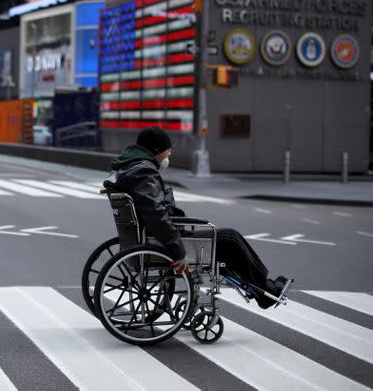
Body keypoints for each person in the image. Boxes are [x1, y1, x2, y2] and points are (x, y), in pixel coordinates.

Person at [104, 126, 292, 309]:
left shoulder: (130, 167)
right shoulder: (144, 171)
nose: (169, 153)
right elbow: (157, 215)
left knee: (223, 247)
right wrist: (178, 250)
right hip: (166, 241)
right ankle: (265, 291)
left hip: (151, 238)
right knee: (230, 238)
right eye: (167, 150)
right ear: (156, 150)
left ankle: (261, 288)